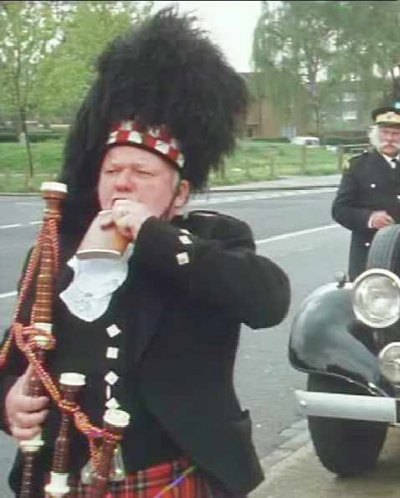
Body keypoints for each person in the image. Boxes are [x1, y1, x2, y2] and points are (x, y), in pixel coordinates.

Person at [0, 8, 290, 498]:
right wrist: (7, 401)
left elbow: (267, 301)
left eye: (144, 173)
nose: (124, 183)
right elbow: (18, 352)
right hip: (64, 477)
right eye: (113, 170)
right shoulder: (56, 248)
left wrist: (152, 237)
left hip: (178, 473)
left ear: (180, 195)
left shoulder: (212, 243)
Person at [332, 106, 400, 280]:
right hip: (374, 253)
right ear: (375, 134)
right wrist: (369, 218)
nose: (389, 139)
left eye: (396, 134)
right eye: (385, 132)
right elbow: (340, 209)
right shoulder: (358, 166)